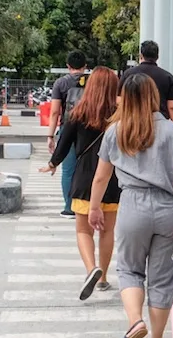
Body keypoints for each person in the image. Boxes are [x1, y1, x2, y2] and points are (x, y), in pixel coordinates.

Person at [88, 73, 173, 338]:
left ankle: (135, 322)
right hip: (167, 209)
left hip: (132, 207)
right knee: (163, 277)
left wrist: (94, 207)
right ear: (154, 97)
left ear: (124, 97)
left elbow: (102, 177)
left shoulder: (115, 131)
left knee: (129, 269)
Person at [40, 67, 121, 301]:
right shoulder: (120, 114)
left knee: (83, 230)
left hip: (84, 178)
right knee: (107, 231)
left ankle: (91, 269)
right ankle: (104, 277)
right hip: (113, 180)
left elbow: (64, 144)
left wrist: (53, 163)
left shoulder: (78, 113)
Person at [48, 50, 88, 218]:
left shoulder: (60, 83)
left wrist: (50, 136)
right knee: (87, 167)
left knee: (68, 169)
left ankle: (69, 207)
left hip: (67, 128)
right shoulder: (92, 82)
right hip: (89, 129)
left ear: (68, 66)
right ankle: (86, 204)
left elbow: (55, 112)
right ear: (85, 67)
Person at [118, 40, 173, 128]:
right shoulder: (167, 77)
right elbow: (172, 107)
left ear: (141, 55)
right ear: (157, 57)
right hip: (159, 125)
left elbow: (119, 101)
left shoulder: (128, 74)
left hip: (133, 124)